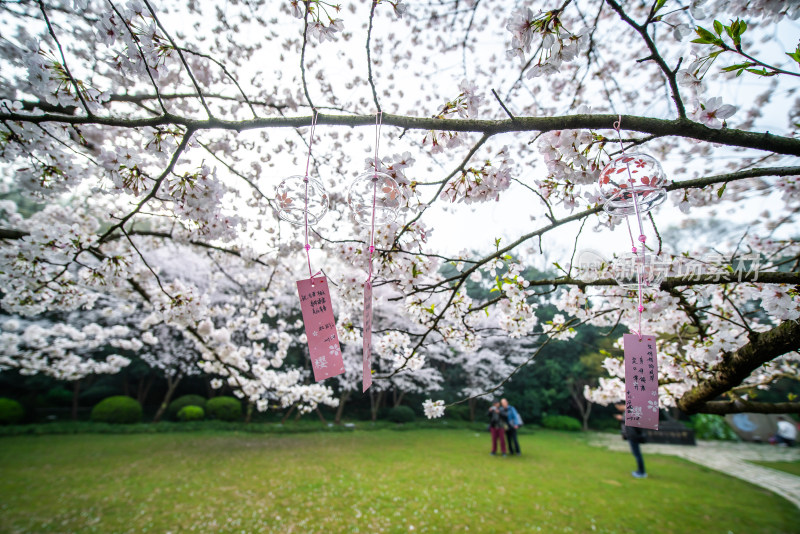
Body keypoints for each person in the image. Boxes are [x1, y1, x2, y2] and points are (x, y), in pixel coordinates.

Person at [615, 403, 647, 478]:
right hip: (632, 436)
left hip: (633, 436)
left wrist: (621, 418)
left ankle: (641, 472)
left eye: (618, 407)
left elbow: (632, 422)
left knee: (637, 455)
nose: (618, 409)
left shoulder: (630, 411)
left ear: (622, 405)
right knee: (636, 454)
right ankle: (640, 471)